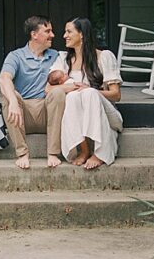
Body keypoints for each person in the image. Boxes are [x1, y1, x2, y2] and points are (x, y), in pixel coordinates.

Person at [49, 17, 123, 169]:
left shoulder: (104, 57)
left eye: (69, 31)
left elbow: (116, 95)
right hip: (77, 110)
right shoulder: (64, 59)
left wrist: (91, 90)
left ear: (82, 34)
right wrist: (73, 87)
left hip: (108, 114)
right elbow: (48, 89)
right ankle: (84, 150)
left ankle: (100, 152)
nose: (64, 36)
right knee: (73, 96)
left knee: (89, 94)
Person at [0, 15, 66, 169]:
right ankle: (22, 153)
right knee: (9, 95)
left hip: (48, 113)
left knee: (58, 92)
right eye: (48, 31)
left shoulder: (56, 56)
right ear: (34, 35)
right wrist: (14, 102)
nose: (53, 35)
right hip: (22, 117)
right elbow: (4, 79)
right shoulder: (16, 56)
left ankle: (53, 152)